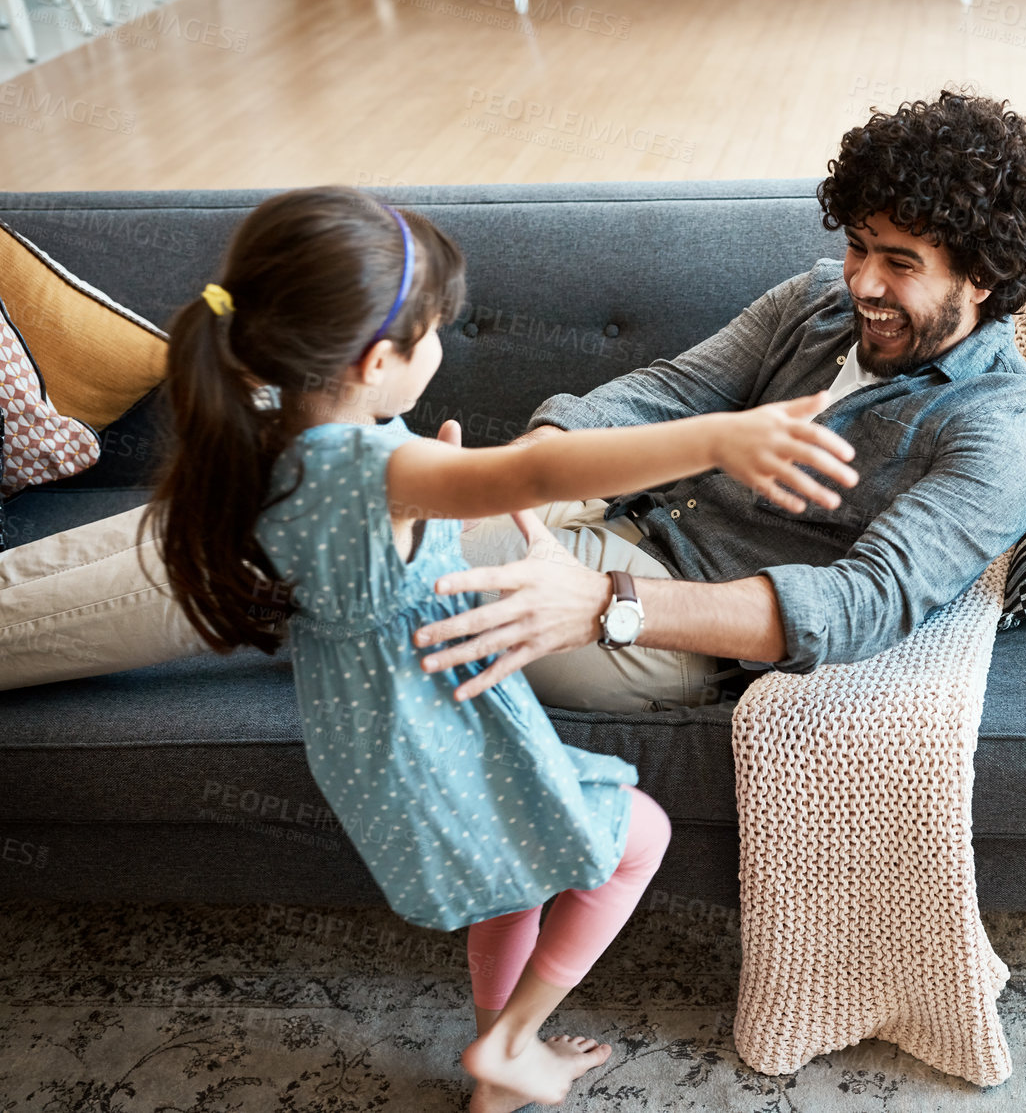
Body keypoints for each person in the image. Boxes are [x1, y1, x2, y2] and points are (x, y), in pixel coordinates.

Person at [0, 89, 1026, 716]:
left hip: (668, 619)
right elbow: (666, 391)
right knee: (283, 497)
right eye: (855, 247)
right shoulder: (812, 303)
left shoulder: (1001, 431)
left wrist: (605, 604)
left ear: (984, 276)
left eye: (900, 263)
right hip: (587, 526)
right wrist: (528, 475)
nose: (862, 282)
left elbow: (861, 607)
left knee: (318, 541)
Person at [144, 186, 857, 1111]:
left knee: (513, 886)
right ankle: (514, 1041)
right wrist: (718, 438)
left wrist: (434, 499)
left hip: (378, 733)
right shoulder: (371, 468)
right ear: (373, 360)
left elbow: (376, 543)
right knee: (637, 839)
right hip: (435, 726)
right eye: (436, 330)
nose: (443, 345)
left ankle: (495, 1056)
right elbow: (536, 469)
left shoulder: (272, 434)